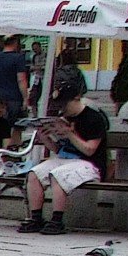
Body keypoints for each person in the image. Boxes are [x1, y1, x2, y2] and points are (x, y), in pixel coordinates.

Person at [18, 87, 110, 234]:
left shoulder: (94, 118)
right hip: (65, 158)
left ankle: (57, 220)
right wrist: (44, 136)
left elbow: (90, 150)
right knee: (34, 174)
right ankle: (36, 218)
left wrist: (70, 134)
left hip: (89, 163)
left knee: (58, 175)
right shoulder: (63, 118)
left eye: (64, 105)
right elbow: (57, 149)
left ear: (76, 99)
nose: (62, 109)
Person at [0, 37, 32, 121]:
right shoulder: (18, 58)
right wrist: (25, 98)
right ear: (15, 43)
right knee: (17, 126)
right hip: (14, 97)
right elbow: (21, 79)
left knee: (0, 125)